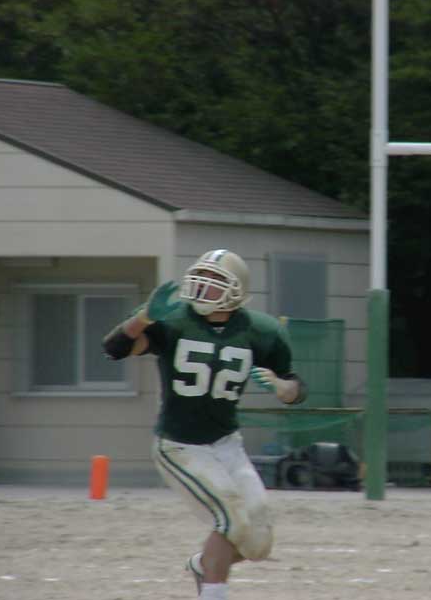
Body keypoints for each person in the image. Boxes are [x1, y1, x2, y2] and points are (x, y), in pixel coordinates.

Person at [102, 249, 307, 599]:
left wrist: (280, 387)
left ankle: (203, 564)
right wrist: (144, 317)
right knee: (232, 519)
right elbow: (114, 348)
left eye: (213, 280)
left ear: (236, 289)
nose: (202, 286)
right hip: (180, 445)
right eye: (200, 277)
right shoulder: (174, 320)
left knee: (258, 544)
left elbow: (295, 389)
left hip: (227, 444)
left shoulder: (262, 330)